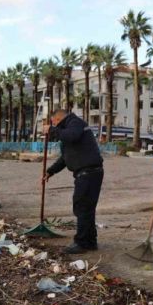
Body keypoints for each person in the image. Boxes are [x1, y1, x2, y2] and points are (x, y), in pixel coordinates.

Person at [43, 108, 103, 255]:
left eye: (54, 123)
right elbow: (65, 157)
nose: (54, 126)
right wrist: (50, 171)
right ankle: (90, 241)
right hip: (87, 173)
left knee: (82, 207)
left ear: (57, 119)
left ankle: (82, 243)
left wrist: (51, 129)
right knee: (86, 209)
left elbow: (72, 136)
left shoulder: (75, 123)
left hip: (89, 173)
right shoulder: (69, 130)